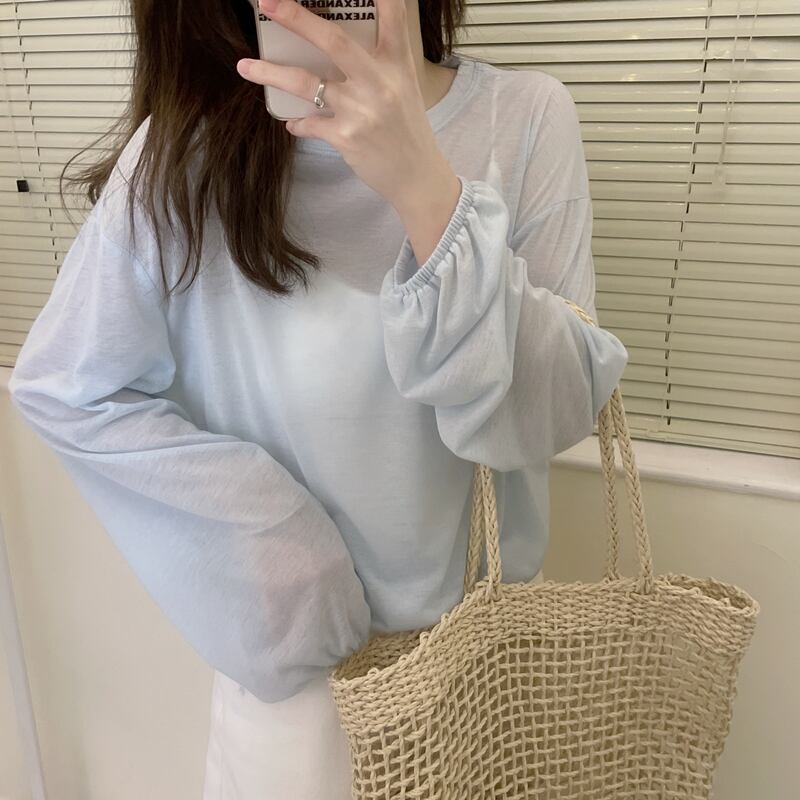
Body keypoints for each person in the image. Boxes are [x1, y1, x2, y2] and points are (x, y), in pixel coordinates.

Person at [7, 0, 629, 795]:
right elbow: (67, 387)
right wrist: (275, 545)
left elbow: (548, 417)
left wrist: (427, 190)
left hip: (483, 672)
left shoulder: (525, 116)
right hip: (298, 706)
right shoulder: (181, 151)